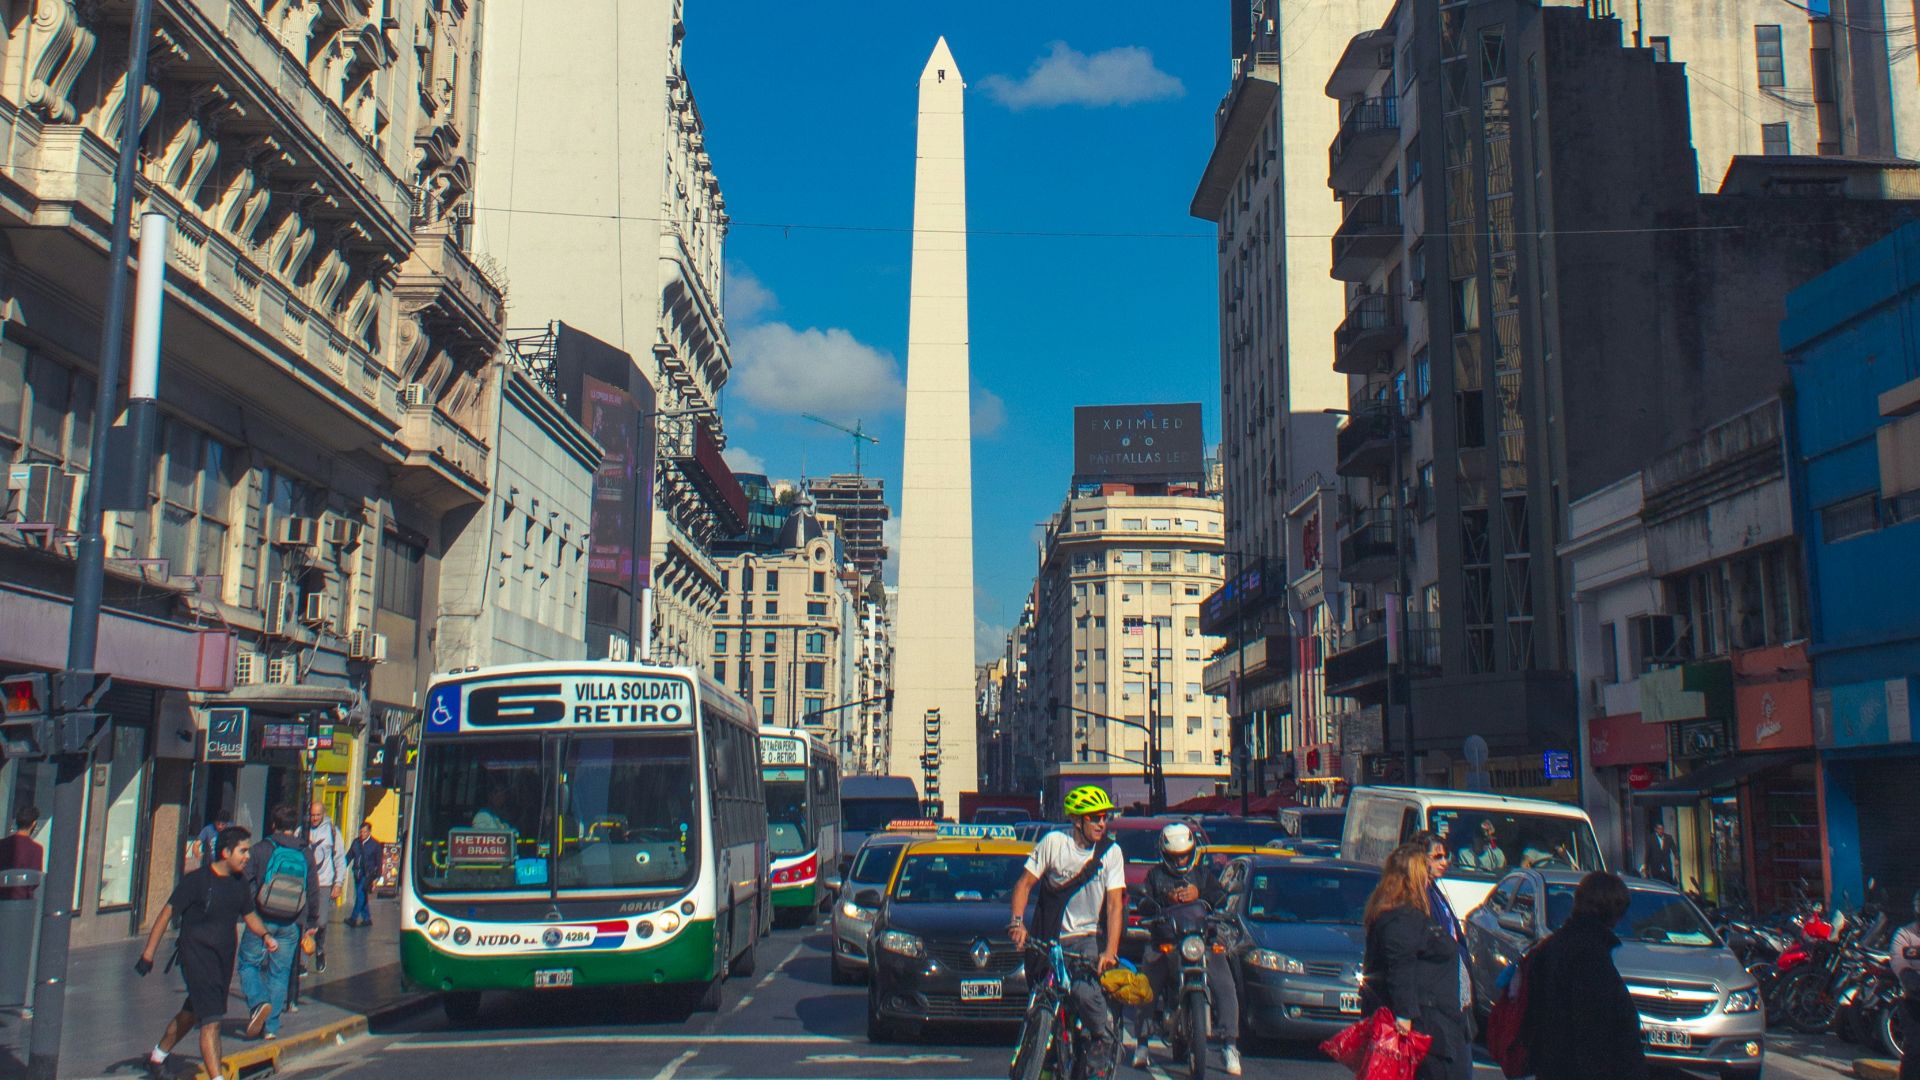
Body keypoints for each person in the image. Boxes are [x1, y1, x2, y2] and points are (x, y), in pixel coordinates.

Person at [136, 826, 281, 1080]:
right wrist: (148, 954)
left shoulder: (239, 884)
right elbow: (167, 913)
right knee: (212, 1020)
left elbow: (250, 917)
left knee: (192, 1012)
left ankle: (157, 1057)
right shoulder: (197, 881)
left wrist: (266, 936)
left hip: (222, 960)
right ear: (226, 852)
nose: (247, 856)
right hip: (196, 957)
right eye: (242, 851)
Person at [1008, 785, 1127, 1079]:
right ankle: (1038, 1054)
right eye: (1095, 818)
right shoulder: (1054, 843)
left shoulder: (1111, 854)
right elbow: (1024, 885)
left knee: (1085, 994)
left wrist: (1109, 951)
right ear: (1077, 821)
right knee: (1041, 992)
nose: (1102, 823)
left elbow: (1114, 906)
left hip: (1085, 940)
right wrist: (1017, 923)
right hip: (1048, 938)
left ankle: (1102, 1037)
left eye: (1106, 817)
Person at [1520, 871, 1649, 1080]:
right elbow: (1593, 1028)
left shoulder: (1553, 946)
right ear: (1613, 911)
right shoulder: (1590, 955)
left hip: (1552, 1066)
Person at [1136, 822, 1242, 1075]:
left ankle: (1229, 1045)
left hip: (1201, 942)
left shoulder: (1203, 875)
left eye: (1185, 854)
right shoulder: (1155, 876)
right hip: (1168, 942)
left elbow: (1221, 897)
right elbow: (1143, 902)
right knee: (1146, 983)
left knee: (1225, 984)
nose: (1181, 859)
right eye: (1176, 856)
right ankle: (1142, 1043)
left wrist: (1200, 896)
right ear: (1165, 854)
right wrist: (1163, 899)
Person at [1360, 843, 1472, 1080]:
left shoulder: (1405, 915)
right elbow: (1401, 967)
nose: (1429, 879)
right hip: (1425, 1028)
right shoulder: (1401, 918)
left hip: (1436, 1023)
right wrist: (1405, 1018)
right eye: (1425, 872)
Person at [240, 806, 317, 1041]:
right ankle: (271, 1027)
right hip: (291, 922)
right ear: (295, 827)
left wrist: (252, 904)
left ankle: (258, 1003)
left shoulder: (261, 849)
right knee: (279, 973)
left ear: (272, 824)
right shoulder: (305, 852)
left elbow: (245, 880)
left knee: (248, 964)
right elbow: (313, 888)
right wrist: (312, 922)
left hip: (261, 919)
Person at [306, 801, 348, 972]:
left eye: (317, 815)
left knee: (321, 921)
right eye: (312, 815)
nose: (314, 818)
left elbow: (339, 859)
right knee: (305, 922)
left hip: (324, 883)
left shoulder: (333, 832)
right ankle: (302, 961)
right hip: (306, 882)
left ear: (323, 814)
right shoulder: (302, 830)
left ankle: (320, 949)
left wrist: (338, 883)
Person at [1890, 890, 1919, 1080]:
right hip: (1915, 1001)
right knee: (1916, 1049)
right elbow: (1898, 960)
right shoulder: (1905, 934)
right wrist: (1910, 978)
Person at [0, 806, 43, 900]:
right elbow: (35, 880)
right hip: (23, 901)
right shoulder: (36, 849)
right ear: (33, 824)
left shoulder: (2, 844)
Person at [345, 822, 382, 927]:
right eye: (361, 831)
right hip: (357, 873)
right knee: (362, 896)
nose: (362, 834)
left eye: (365, 832)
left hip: (367, 875)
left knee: (360, 895)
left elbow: (379, 863)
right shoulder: (356, 842)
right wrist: (341, 867)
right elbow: (349, 856)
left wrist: (376, 878)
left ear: (369, 832)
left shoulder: (375, 845)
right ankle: (367, 919)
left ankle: (353, 918)